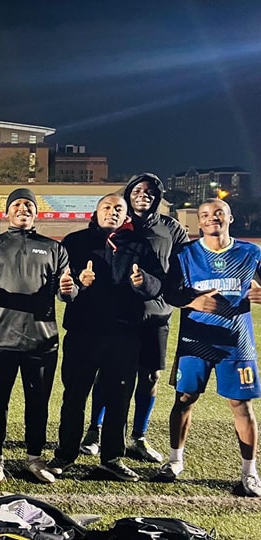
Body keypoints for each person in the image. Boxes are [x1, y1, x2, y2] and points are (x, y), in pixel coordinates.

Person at [0, 188, 77, 484]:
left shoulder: (53, 248)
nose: (23, 208)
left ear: (36, 212)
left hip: (41, 340)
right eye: (16, 204)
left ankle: (34, 458)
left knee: (38, 402)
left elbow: (67, 291)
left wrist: (70, 289)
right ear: (7, 211)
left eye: (28, 204)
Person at [48, 194, 164, 482]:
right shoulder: (75, 242)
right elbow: (61, 288)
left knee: (119, 399)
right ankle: (64, 455)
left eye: (118, 208)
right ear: (96, 212)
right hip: (83, 333)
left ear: (126, 215)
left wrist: (144, 282)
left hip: (124, 334)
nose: (112, 212)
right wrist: (77, 284)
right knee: (74, 397)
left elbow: (158, 285)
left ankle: (112, 458)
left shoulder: (140, 244)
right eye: (107, 207)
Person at [156, 199, 261, 496]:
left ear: (230, 218)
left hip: (237, 342)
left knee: (241, 405)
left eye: (218, 213)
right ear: (199, 222)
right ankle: (175, 460)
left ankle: (250, 472)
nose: (211, 218)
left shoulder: (251, 253)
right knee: (184, 398)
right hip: (196, 340)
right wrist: (192, 301)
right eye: (205, 215)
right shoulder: (185, 254)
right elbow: (170, 292)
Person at [83, 173, 188, 461]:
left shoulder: (171, 228)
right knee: (108, 372)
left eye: (150, 190)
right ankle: (94, 430)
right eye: (137, 190)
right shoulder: (117, 222)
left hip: (155, 315)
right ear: (129, 194)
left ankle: (138, 437)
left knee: (150, 375)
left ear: (158, 196)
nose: (144, 194)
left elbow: (183, 268)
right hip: (118, 314)